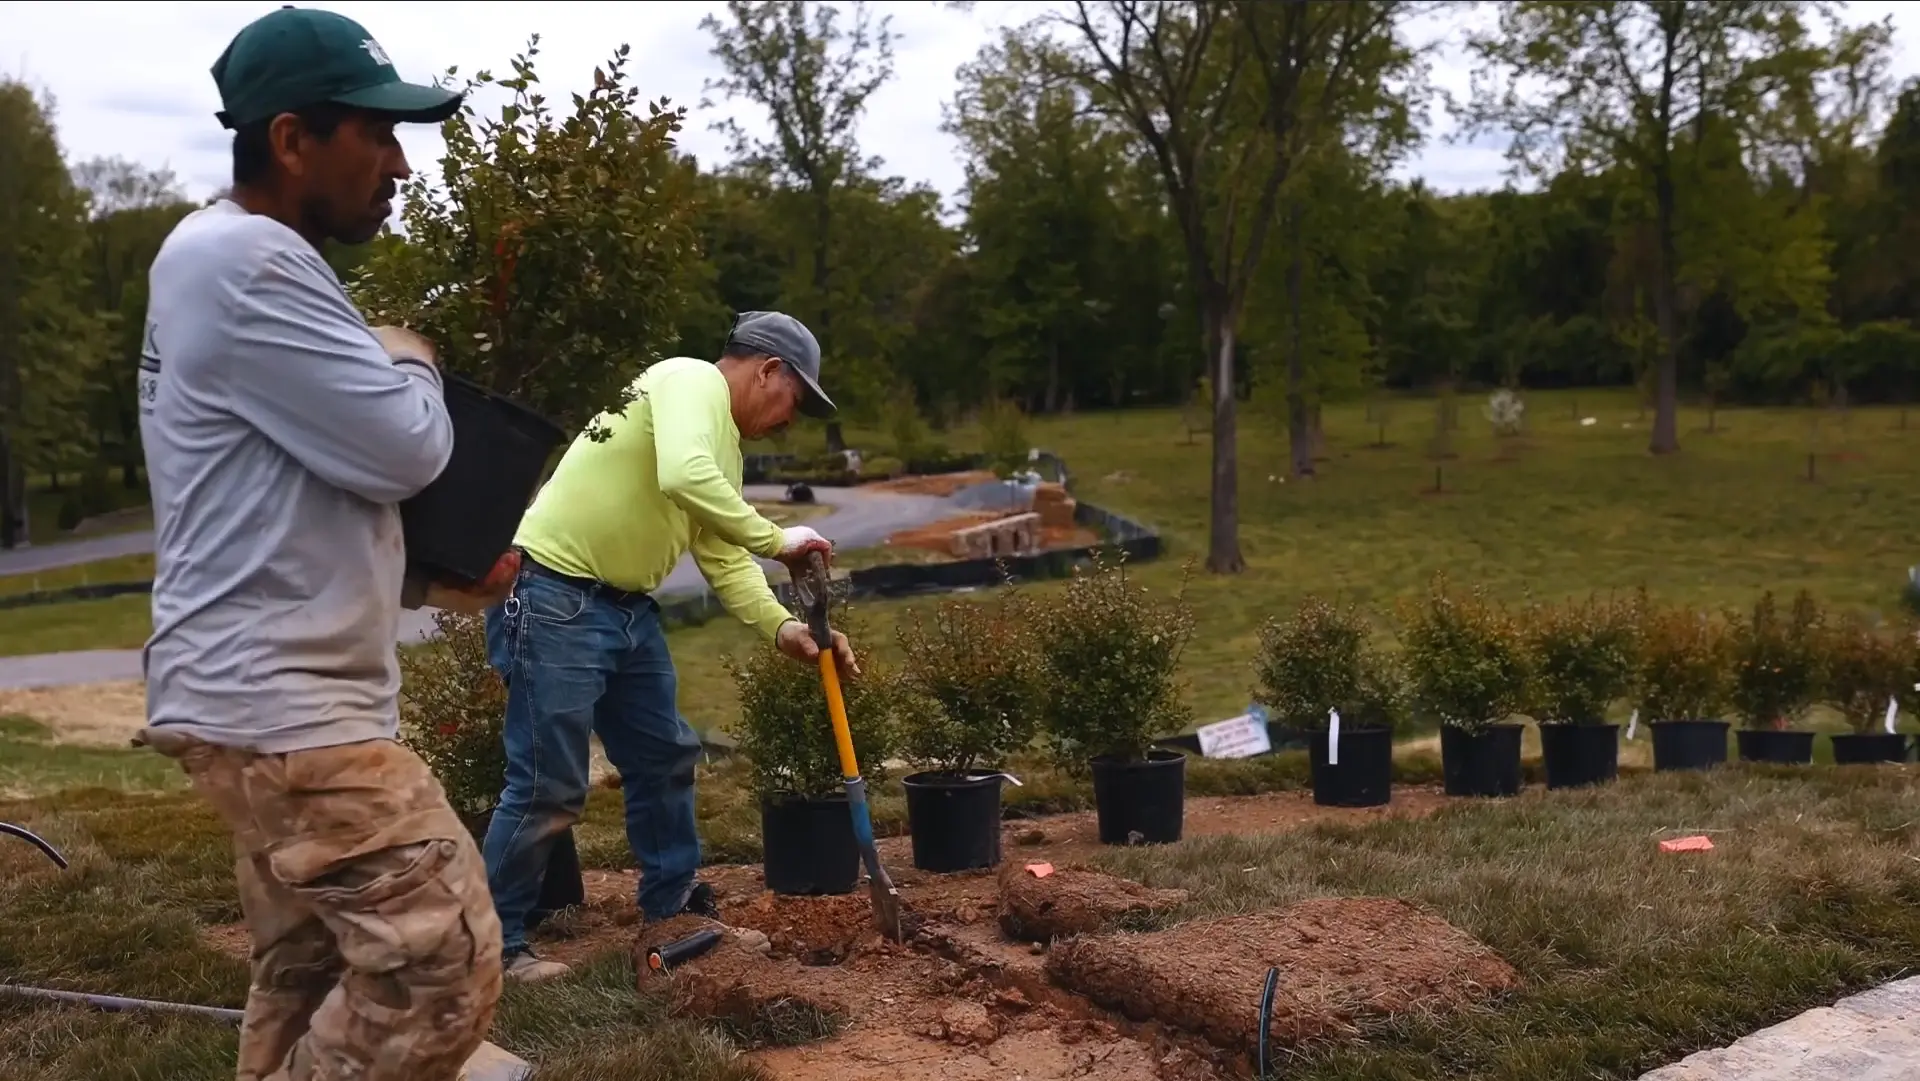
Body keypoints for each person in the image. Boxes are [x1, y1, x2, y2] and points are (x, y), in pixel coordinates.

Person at [132, 6, 516, 1078]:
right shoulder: (249, 260)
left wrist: (423, 572)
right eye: (376, 133)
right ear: (293, 139)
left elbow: (276, 493)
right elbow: (407, 448)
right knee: (440, 963)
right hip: (289, 709)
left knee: (306, 971)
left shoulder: (221, 260)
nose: (401, 164)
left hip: (258, 694)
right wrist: (410, 353)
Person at [482, 311, 858, 983]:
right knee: (548, 783)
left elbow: (722, 554)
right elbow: (685, 476)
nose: (788, 420)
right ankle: (493, 947)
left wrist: (782, 628)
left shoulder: (722, 449)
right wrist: (780, 539)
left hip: (625, 611)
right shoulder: (687, 380)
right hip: (553, 595)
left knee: (664, 758)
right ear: (768, 369)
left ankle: (672, 912)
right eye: (793, 400)